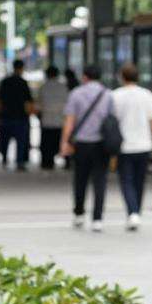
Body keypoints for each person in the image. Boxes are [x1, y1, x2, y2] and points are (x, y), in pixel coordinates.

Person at [60, 63, 111, 232]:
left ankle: (79, 214)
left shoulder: (76, 94)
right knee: (100, 181)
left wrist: (65, 142)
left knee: (80, 179)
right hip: (102, 143)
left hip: (81, 144)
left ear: (85, 77)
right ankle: (97, 218)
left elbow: (70, 121)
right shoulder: (108, 95)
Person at [111, 62, 152, 230]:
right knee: (140, 181)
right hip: (144, 145)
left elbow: (112, 121)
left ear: (122, 77)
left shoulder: (115, 96)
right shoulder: (147, 95)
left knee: (126, 181)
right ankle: (136, 212)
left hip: (124, 146)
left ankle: (132, 213)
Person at [0, 59, 33, 171]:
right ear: (22, 68)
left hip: (6, 116)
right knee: (21, 142)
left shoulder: (5, 82)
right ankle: (19, 162)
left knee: (4, 140)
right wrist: (29, 114)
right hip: (21, 117)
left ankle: (4, 159)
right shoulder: (23, 83)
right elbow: (28, 101)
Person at [37, 65, 68, 170]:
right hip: (61, 121)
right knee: (61, 141)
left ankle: (47, 163)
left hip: (47, 120)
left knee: (47, 145)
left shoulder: (43, 87)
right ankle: (67, 162)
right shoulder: (63, 87)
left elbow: (38, 104)